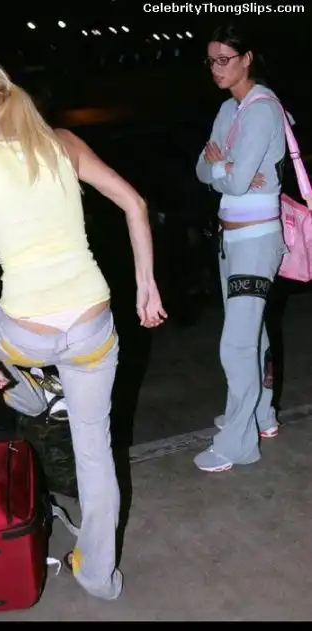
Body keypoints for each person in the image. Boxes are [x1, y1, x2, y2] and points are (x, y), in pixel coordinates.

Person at [0, 57, 167, 599]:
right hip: (94, 329)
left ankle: (29, 387)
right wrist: (146, 286)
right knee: (95, 454)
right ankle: (99, 576)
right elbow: (134, 203)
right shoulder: (62, 143)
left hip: (28, 335)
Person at [195, 24, 288, 472]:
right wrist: (227, 170)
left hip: (255, 240)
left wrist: (225, 170)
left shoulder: (262, 110)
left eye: (224, 60)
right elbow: (202, 169)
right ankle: (261, 415)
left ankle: (237, 444)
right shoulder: (227, 109)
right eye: (211, 60)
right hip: (230, 239)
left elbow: (230, 180)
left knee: (236, 343)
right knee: (254, 333)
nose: (216, 68)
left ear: (246, 58)